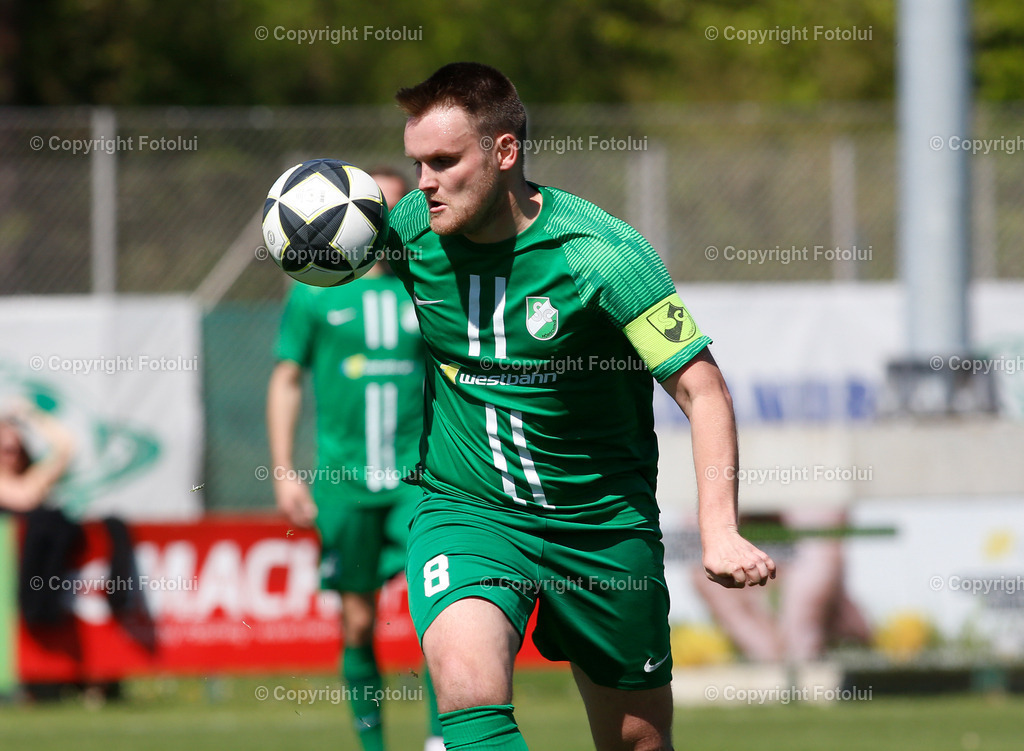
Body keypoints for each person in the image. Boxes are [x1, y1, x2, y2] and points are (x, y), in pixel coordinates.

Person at [385, 62, 776, 751]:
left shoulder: (602, 255)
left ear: (504, 151)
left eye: (444, 162)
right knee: (468, 693)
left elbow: (702, 389)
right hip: (467, 509)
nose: (424, 182)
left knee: (636, 740)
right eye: (417, 162)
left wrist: (719, 529)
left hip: (599, 524)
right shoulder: (412, 227)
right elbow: (338, 241)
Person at [266, 169, 443, 751]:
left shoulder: (429, 283)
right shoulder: (314, 292)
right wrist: (286, 470)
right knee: (360, 622)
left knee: (442, 611)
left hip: (422, 480)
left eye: (391, 206)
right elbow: (287, 377)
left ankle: (443, 740)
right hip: (345, 482)